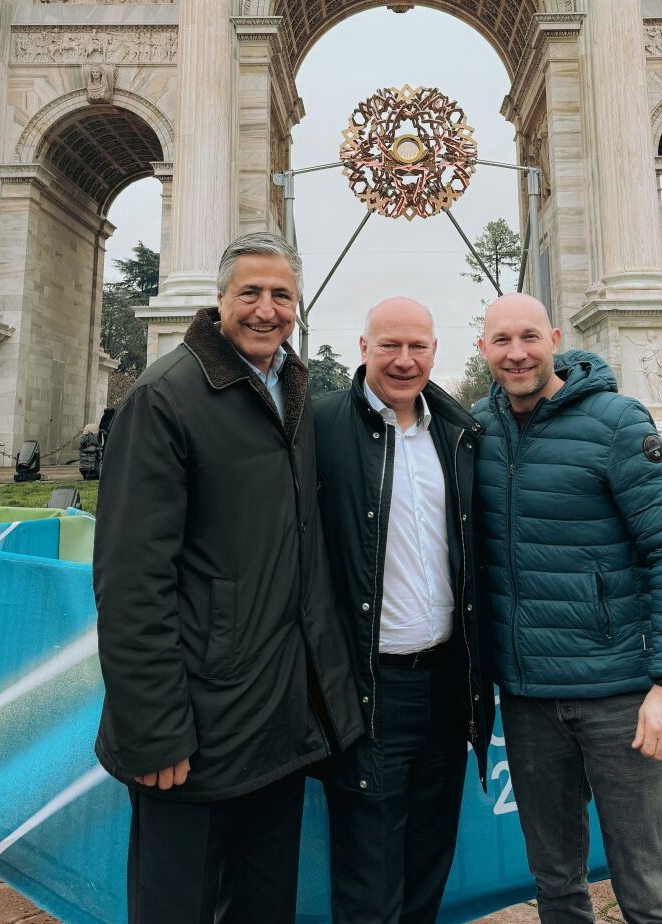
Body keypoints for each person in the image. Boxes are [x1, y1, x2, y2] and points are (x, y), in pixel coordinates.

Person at [93, 232, 363, 924]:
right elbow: (130, 579)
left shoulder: (291, 389)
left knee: (263, 904)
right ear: (220, 301)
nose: (266, 309)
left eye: (281, 295)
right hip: (193, 723)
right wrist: (153, 731)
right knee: (178, 907)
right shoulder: (163, 397)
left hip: (275, 719)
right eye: (250, 292)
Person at [473, 294, 662, 924]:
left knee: (649, 893)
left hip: (620, 697)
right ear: (483, 349)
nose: (516, 353)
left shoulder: (617, 421)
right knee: (555, 886)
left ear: (554, 338)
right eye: (501, 340)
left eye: (528, 337)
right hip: (527, 700)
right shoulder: (475, 431)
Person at [313, 297, 492, 924]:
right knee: (369, 866)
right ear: (363, 349)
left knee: (428, 855)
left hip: (447, 682)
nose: (404, 360)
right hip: (371, 685)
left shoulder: (459, 432)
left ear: (435, 352)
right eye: (390, 345)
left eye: (418, 346)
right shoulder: (320, 425)